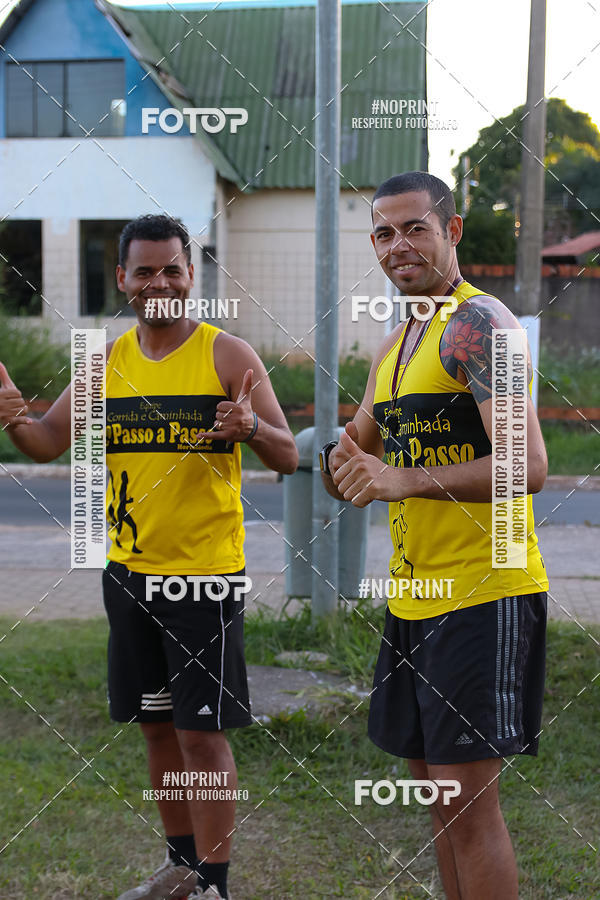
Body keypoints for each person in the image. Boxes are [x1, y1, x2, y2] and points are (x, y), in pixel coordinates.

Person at [0, 214, 298, 900]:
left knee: (201, 737)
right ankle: (181, 866)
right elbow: (47, 442)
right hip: (128, 578)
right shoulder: (104, 363)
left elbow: (289, 455)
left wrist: (249, 427)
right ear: (123, 280)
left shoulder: (229, 356)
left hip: (203, 581)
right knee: (157, 729)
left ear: (191, 276)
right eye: (145, 271)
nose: (159, 282)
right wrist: (13, 415)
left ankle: (216, 885)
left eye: (172, 269)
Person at [320, 172, 548, 900]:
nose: (397, 245)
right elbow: (354, 458)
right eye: (383, 233)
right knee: (439, 802)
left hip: (484, 592)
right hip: (414, 600)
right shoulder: (395, 346)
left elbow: (529, 464)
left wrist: (403, 481)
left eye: (414, 227)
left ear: (452, 231)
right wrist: (340, 465)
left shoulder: (481, 324)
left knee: (471, 809)